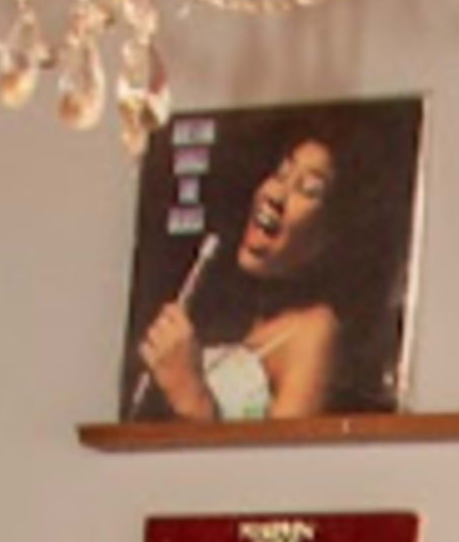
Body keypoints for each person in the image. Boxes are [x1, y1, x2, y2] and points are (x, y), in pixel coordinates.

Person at [134, 119, 359, 422]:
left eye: (307, 189)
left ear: (330, 236)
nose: (276, 195)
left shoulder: (316, 330)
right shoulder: (239, 318)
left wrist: (191, 396)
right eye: (281, 173)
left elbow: (279, 465)